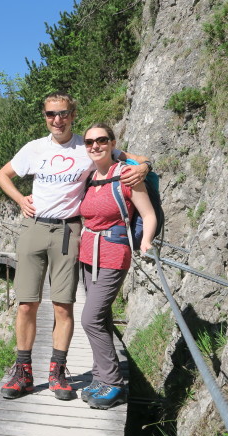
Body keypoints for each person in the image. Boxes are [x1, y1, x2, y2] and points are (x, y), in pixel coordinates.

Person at [0, 91, 151, 400]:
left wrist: (144, 167)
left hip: (69, 231)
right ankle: (23, 371)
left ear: (72, 114)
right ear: (45, 116)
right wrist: (19, 199)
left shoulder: (89, 146)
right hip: (35, 226)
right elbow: (3, 174)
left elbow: (135, 159)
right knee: (27, 303)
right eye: (50, 114)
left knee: (63, 304)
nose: (57, 119)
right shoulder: (34, 148)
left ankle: (58, 371)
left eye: (63, 113)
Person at [78, 123, 157, 409]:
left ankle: (113, 383)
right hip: (87, 254)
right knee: (102, 317)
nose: (95, 146)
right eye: (89, 142)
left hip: (113, 254)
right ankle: (100, 375)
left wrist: (146, 240)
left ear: (112, 143)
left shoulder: (127, 175)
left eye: (101, 140)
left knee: (90, 318)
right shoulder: (88, 177)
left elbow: (148, 215)